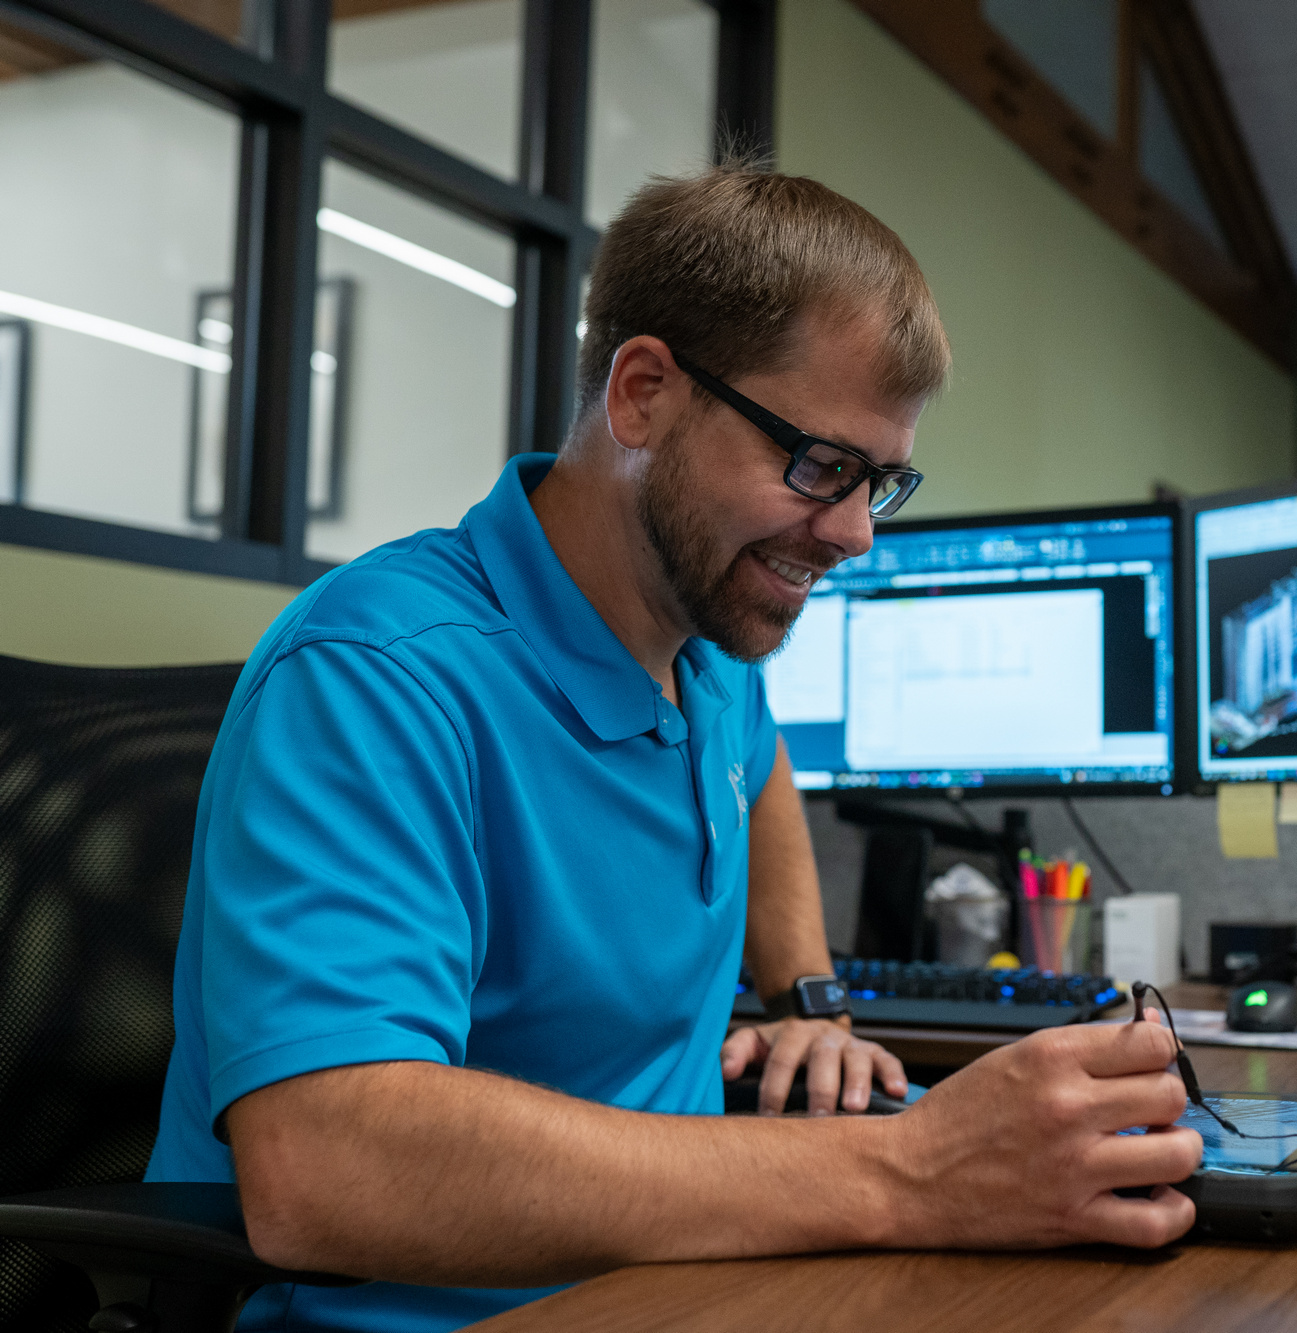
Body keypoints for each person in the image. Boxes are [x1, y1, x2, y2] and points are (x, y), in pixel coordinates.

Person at [145, 166, 1204, 1332]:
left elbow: (761, 776)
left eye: (880, 483)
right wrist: (912, 1171)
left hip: (687, 1283)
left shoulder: (704, 657)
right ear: (643, 394)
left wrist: (806, 996)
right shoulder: (377, 674)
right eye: (818, 466)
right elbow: (327, 1171)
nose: (853, 532)